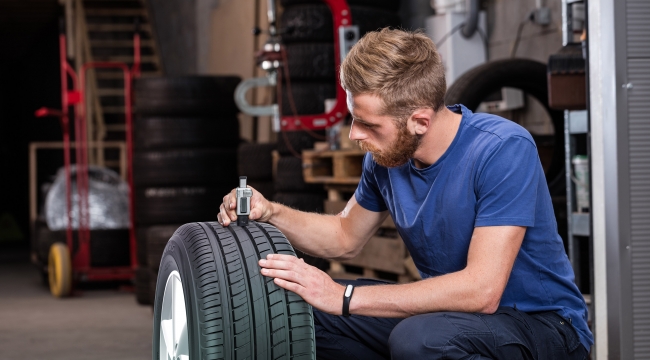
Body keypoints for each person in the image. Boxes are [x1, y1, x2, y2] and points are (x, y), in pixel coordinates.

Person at [218, 28, 592, 360]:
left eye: (367, 123)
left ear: (420, 121)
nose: (353, 135)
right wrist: (271, 212)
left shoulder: (502, 149)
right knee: (305, 311)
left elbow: (482, 290)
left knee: (421, 340)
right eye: (353, 118)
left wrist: (345, 297)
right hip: (455, 319)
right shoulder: (387, 159)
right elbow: (345, 237)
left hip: (545, 327)